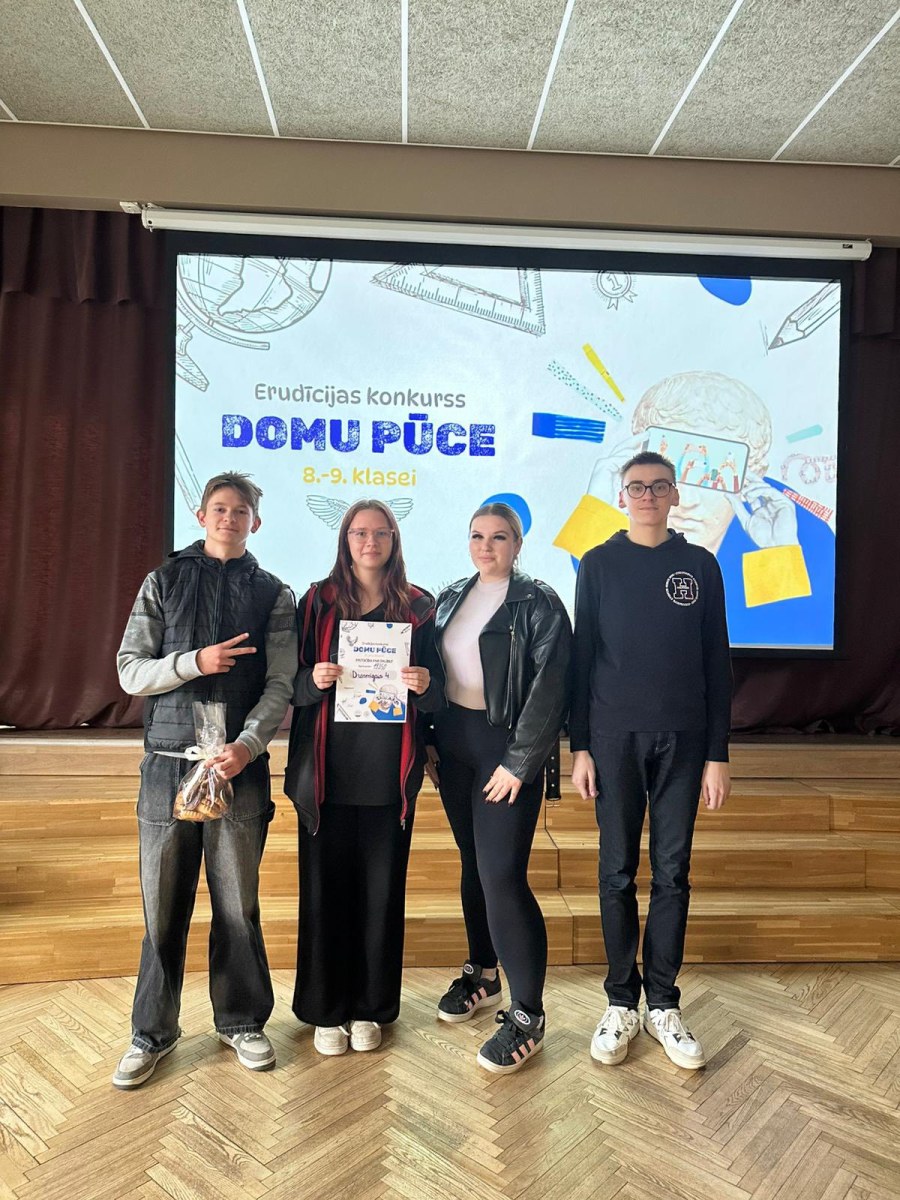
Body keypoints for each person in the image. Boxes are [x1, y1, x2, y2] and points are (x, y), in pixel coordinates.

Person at [113, 472, 296, 1088]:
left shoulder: (274, 593)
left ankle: (242, 1020)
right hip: (168, 766)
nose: (229, 518)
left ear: (255, 522)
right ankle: (151, 1032)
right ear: (200, 515)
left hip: (239, 769)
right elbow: (130, 671)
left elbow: (281, 684)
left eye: (241, 510)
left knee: (238, 904)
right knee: (161, 907)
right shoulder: (162, 581)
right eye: (219, 508)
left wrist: (247, 746)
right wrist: (195, 662)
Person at [570, 451, 732, 1070]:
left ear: (673, 496)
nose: (647, 496)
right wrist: (580, 745)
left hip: (685, 741)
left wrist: (717, 753)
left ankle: (663, 1002)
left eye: (658, 486)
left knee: (672, 873)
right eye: (636, 487)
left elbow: (716, 662)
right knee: (616, 873)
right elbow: (583, 659)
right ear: (622, 496)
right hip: (613, 740)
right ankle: (621, 1002)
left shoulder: (701, 565)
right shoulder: (598, 564)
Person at [284, 499, 441, 1055]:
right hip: (327, 776)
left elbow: (440, 692)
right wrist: (313, 679)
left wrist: (425, 684)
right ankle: (326, 1010)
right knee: (324, 895)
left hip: (387, 778)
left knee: (381, 897)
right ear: (345, 540)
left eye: (380, 533)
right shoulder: (316, 601)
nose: (369, 542)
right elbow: (289, 685)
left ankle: (371, 1008)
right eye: (359, 533)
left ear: (394, 540)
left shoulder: (419, 606)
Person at [430, 502, 571, 1074]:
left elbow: (551, 690)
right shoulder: (449, 597)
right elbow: (438, 676)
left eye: (499, 537)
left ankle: (528, 1015)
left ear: (518, 544)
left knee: (502, 877)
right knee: (473, 864)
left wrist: (518, 763)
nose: (486, 547)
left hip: (506, 754)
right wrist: (432, 743)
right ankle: (484, 974)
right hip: (455, 751)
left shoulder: (539, 603)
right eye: (477, 536)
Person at [555, 371, 836, 647]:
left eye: (710, 477)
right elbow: (603, 598)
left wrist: (779, 553)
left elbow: (792, 636)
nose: (683, 500)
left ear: (752, 475)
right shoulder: (613, 534)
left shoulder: (798, 532)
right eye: (664, 479)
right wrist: (598, 508)